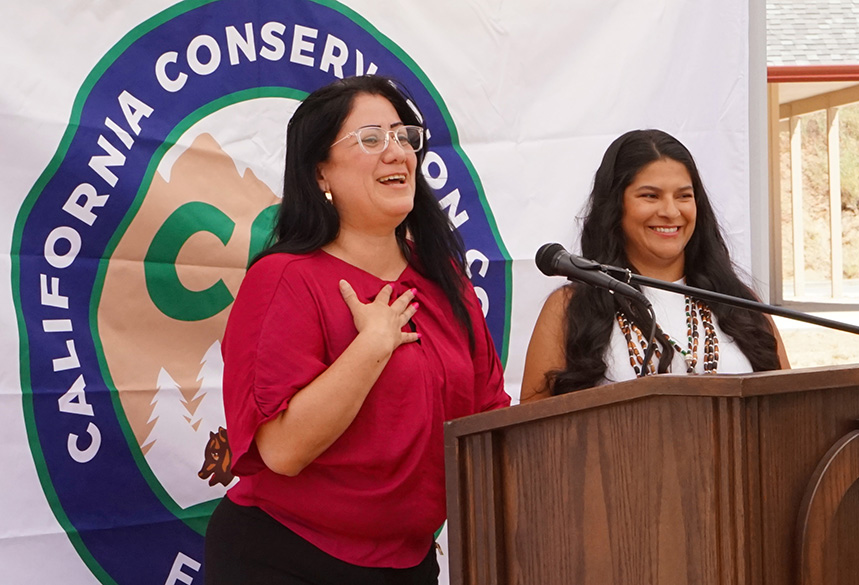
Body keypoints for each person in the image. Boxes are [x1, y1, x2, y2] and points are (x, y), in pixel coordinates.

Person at [205, 75, 510, 584]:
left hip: (408, 565)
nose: (397, 154)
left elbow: (488, 416)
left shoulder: (443, 281)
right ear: (320, 170)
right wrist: (371, 346)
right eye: (371, 139)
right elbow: (281, 451)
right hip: (285, 557)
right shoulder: (285, 279)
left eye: (403, 137)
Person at [521, 129, 789, 401]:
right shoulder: (569, 309)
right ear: (615, 206)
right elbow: (535, 432)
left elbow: (786, 406)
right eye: (650, 196)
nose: (671, 212)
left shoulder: (740, 304)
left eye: (684, 196)